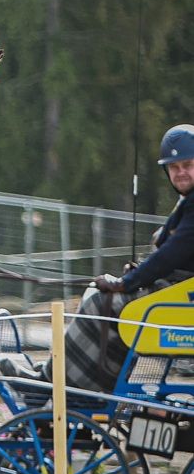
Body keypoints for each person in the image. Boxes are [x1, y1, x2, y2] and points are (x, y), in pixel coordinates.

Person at [66, 123, 194, 390]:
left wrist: (126, 282)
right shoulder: (187, 201)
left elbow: (171, 255)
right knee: (97, 298)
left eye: (188, 165)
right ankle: (80, 383)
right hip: (174, 294)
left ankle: (61, 385)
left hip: (180, 301)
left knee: (100, 305)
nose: (181, 172)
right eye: (174, 167)